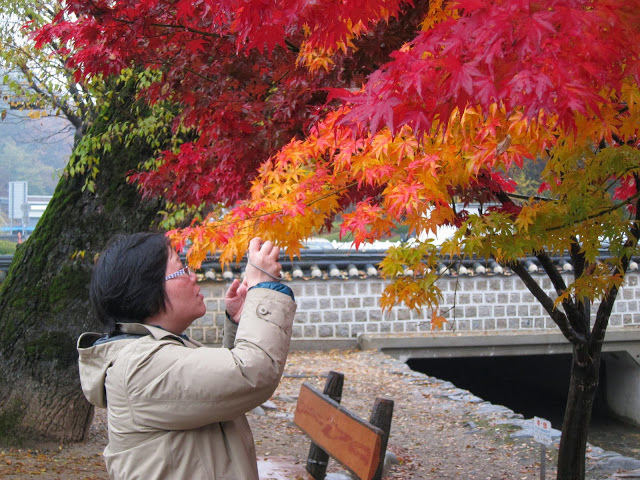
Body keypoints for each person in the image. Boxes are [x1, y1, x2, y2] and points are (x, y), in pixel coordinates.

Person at [77, 233, 297, 479]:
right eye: (181, 269)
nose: (193, 276)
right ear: (146, 290)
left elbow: (220, 390)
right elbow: (251, 373)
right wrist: (263, 287)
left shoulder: (153, 351)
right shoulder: (139, 365)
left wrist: (239, 324)